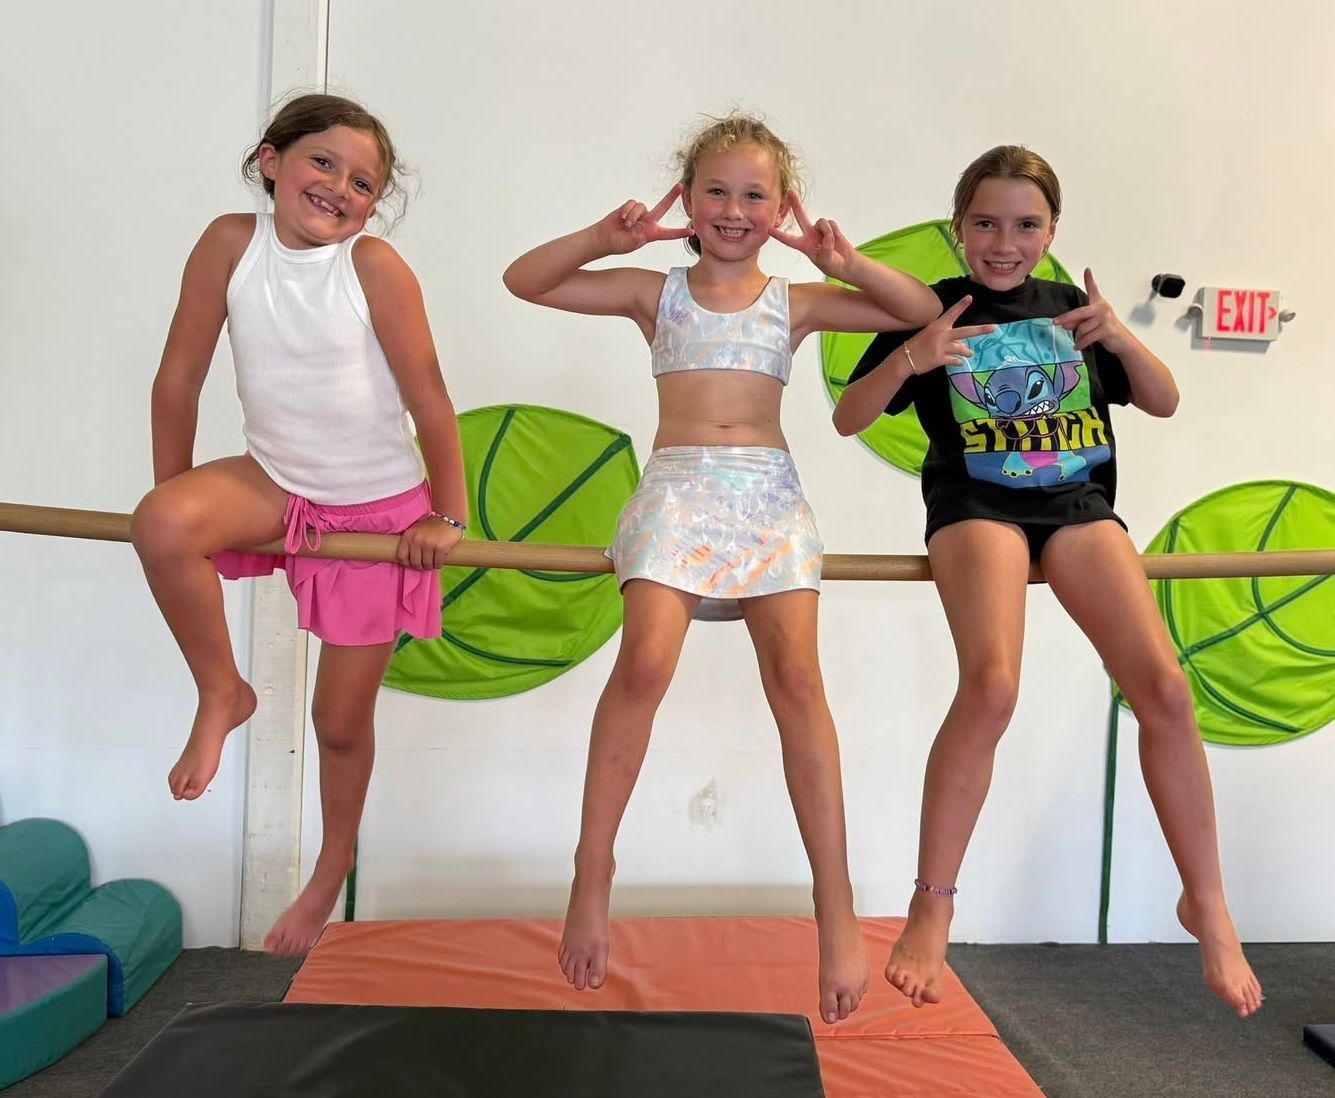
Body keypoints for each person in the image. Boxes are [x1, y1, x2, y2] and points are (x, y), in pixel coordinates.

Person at [504, 113, 940, 1023]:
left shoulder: (797, 299)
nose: (735, 210)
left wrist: (841, 259)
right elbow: (525, 281)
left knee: (795, 680)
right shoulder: (652, 291)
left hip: (768, 495)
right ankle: (593, 871)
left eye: (755, 195)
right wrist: (604, 236)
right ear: (687, 200)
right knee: (646, 664)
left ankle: (834, 904)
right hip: (678, 488)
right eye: (717, 192)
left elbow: (919, 313)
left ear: (782, 207)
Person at [834, 144, 1262, 1018]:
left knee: (1165, 690)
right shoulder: (931, 309)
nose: (1004, 241)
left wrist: (1118, 332)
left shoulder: (1069, 310)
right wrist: (915, 355)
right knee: (990, 687)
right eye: (985, 223)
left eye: (1025, 224)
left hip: (1074, 507)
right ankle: (932, 903)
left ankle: (1206, 904)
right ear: (957, 231)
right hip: (977, 506)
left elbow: (1164, 400)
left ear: (1051, 232)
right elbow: (850, 417)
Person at [131, 93, 467, 956]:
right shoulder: (227, 246)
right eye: (323, 162)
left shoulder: (374, 267)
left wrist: (446, 513)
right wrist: (180, 509)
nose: (340, 188)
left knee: (339, 722)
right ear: (271, 160)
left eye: (363, 183)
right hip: (277, 484)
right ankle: (223, 691)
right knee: (160, 523)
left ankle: (330, 870)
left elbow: (429, 400)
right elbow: (179, 378)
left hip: (377, 509)